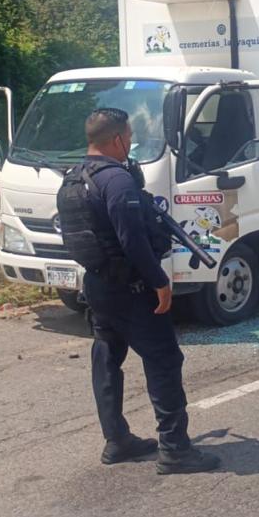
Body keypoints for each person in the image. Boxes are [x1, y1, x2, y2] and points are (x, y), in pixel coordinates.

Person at [56, 108, 219, 474]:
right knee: (163, 359)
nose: (130, 143)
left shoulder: (73, 179)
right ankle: (175, 449)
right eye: (128, 137)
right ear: (117, 139)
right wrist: (159, 281)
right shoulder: (117, 181)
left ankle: (117, 440)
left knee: (107, 357)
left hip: (97, 284)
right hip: (131, 287)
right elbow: (132, 239)